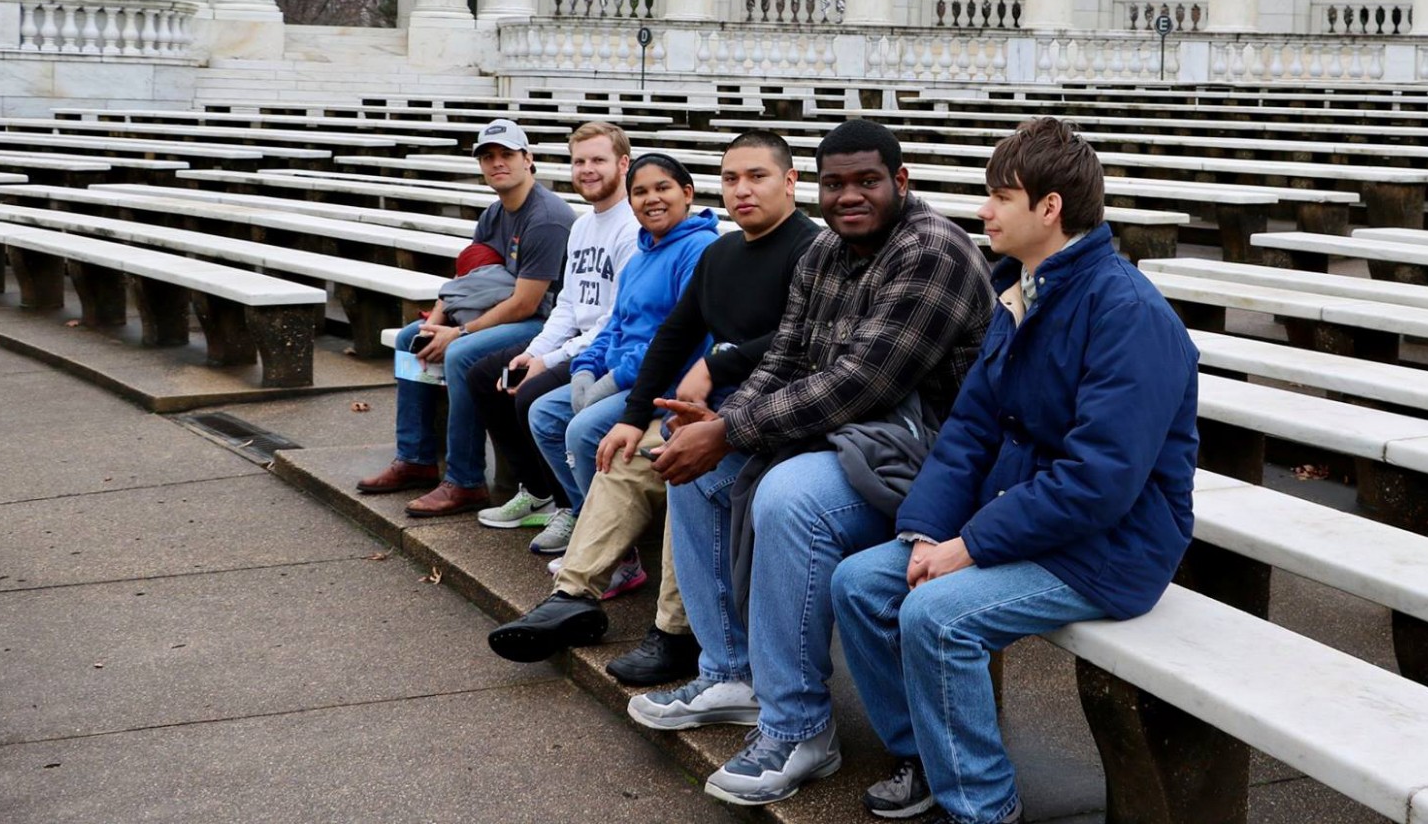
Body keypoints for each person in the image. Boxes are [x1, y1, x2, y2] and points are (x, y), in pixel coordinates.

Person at [832, 118, 1199, 824]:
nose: (984, 210)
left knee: (937, 616)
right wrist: (924, 533)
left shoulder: (1127, 312)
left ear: (1050, 208)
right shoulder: (1023, 290)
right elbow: (971, 428)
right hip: (1031, 522)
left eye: (1001, 196)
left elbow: (1100, 479)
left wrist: (969, 547)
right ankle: (932, 762)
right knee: (860, 583)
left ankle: (982, 807)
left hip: (1111, 548)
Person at [629, 120, 994, 811]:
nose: (850, 196)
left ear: (902, 182)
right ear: (817, 187)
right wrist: (718, 432)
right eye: (836, 183)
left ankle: (799, 728)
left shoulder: (931, 250)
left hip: (935, 458)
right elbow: (787, 358)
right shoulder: (825, 251)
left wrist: (733, 426)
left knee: (790, 497)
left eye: (867, 181)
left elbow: (863, 381)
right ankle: (733, 672)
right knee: (695, 469)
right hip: (857, 439)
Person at [486, 129, 820, 687]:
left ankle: (674, 632)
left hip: (771, 414)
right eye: (732, 178)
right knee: (623, 454)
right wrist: (631, 415)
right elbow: (673, 335)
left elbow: (803, 338)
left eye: (757, 177)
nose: (743, 190)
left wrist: (719, 364)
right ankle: (573, 594)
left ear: (789, 181)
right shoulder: (724, 252)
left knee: (682, 469)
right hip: (707, 409)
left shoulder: (812, 249)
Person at [356, 119, 577, 517]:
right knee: (412, 338)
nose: (497, 164)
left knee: (462, 354)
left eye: (507, 155)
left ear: (529, 160)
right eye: (488, 157)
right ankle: (417, 457)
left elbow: (527, 304)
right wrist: (436, 321)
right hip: (501, 310)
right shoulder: (494, 213)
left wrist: (458, 332)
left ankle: (464, 481)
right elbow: (469, 277)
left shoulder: (546, 218)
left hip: (548, 323)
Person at [522, 153, 718, 557]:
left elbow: (681, 339)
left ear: (687, 193)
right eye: (640, 192)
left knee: (582, 428)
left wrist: (613, 380)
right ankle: (586, 518)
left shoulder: (699, 249)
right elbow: (614, 324)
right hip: (624, 373)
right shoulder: (642, 254)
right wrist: (585, 369)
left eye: (662, 188)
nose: (652, 199)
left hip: (664, 382)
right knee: (544, 413)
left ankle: (616, 554)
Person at [466, 121, 639, 535]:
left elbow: (613, 320)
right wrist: (535, 352)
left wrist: (551, 359)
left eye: (598, 160)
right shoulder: (581, 226)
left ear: (623, 163)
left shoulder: (631, 228)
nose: (587, 169)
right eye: (579, 161)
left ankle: (573, 508)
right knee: (487, 375)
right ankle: (538, 491)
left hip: (605, 348)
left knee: (531, 394)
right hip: (575, 342)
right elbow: (567, 304)